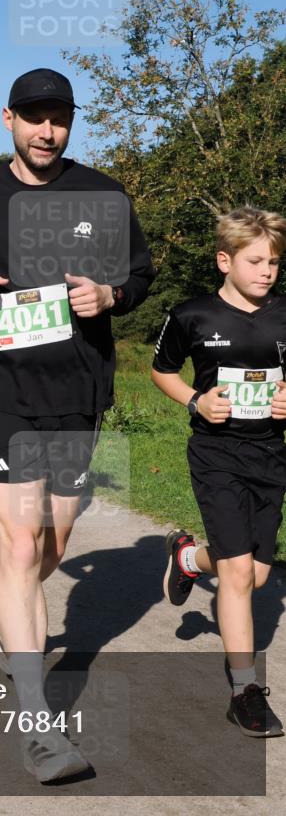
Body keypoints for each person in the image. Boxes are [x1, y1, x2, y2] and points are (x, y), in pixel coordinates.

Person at [0, 67, 155, 782]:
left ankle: (4, 598)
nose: (48, 131)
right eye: (34, 118)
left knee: (54, 538)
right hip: (1, 388)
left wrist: (111, 294)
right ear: (8, 119)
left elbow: (140, 276)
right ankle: (37, 722)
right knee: (20, 549)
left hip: (79, 387)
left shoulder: (103, 193)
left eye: (60, 119)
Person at [152, 205, 286, 738]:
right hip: (215, 454)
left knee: (255, 574)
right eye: (256, 261)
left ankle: (187, 558)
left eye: (274, 262)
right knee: (235, 575)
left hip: (270, 454)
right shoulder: (192, 316)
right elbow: (162, 370)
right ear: (224, 260)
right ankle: (244, 691)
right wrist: (195, 403)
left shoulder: (284, 315)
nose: (267, 271)